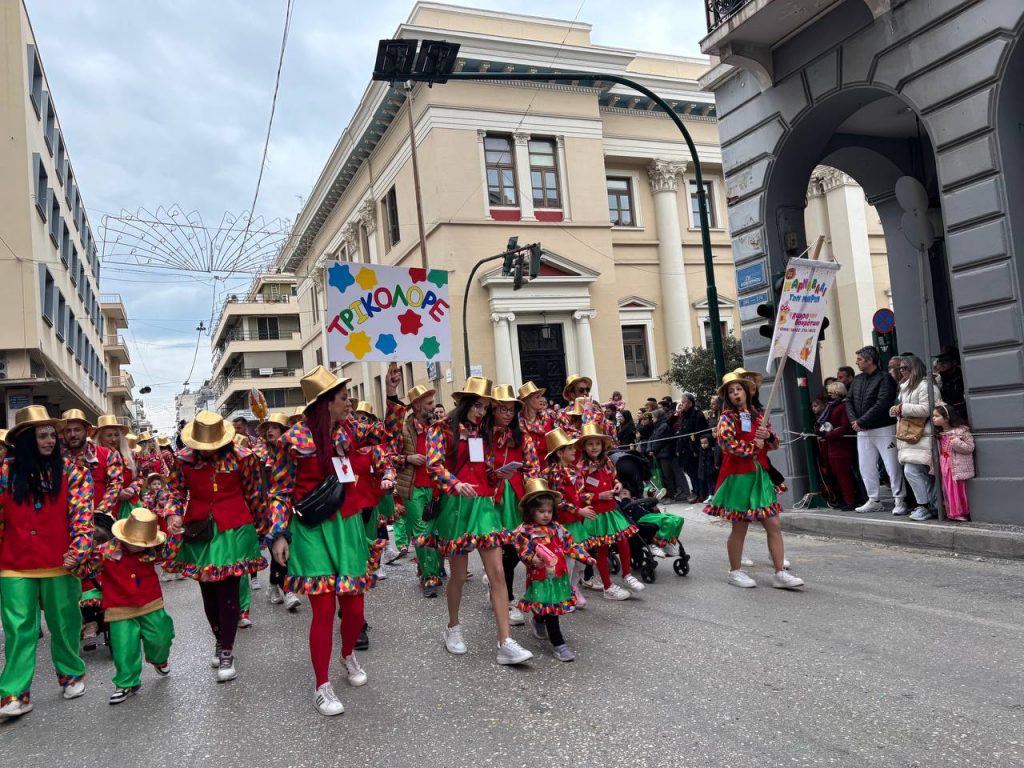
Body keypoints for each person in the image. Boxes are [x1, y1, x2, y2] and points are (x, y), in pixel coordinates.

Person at [268, 365, 403, 716]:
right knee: (324, 608)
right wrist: (278, 534)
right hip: (311, 529)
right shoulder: (292, 440)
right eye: (344, 397)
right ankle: (321, 685)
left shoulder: (351, 431)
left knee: (355, 609)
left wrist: (391, 395)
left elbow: (386, 437)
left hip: (347, 528)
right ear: (325, 402)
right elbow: (280, 490)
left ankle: (347, 654)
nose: (350, 402)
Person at [424, 376, 533, 666]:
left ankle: (505, 642)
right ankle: (453, 627)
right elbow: (433, 465)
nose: (481, 412)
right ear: (463, 403)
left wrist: (499, 475)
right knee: (458, 575)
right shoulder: (441, 430)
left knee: (497, 572)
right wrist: (454, 483)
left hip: (484, 505)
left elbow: (485, 471)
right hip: (455, 507)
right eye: (477, 405)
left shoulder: (485, 435)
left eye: (485, 407)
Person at [0, 406, 94, 720]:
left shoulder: (73, 470)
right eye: (43, 435)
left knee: (65, 623)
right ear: (26, 439)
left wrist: (79, 549)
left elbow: (83, 517)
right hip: (14, 563)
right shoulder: (3, 472)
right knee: (19, 629)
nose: (51, 440)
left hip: (59, 561)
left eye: (53, 434)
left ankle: (71, 674)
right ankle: (14, 693)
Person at [165, 411, 267, 684]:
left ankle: (227, 650)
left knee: (228, 587)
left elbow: (255, 493)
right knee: (207, 588)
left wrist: (263, 528)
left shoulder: (243, 457)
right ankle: (219, 639)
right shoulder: (183, 459)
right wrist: (173, 513)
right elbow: (175, 490)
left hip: (234, 529)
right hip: (199, 528)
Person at [703, 374, 804, 590]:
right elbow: (728, 445)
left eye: (738, 389)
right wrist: (752, 447)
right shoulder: (726, 419)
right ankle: (735, 571)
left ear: (747, 392)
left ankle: (779, 573)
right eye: (731, 391)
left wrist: (767, 436)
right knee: (740, 527)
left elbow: (774, 444)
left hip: (761, 475)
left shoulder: (758, 416)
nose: (735, 393)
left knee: (774, 524)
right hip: (739, 477)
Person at [89, 508, 181, 704]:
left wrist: (175, 534)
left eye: (143, 543)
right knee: (123, 646)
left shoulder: (152, 549)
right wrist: (75, 560)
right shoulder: (105, 551)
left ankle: (159, 659)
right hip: (119, 605)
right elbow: (85, 569)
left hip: (150, 601)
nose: (140, 547)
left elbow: (170, 553)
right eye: (136, 543)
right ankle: (126, 683)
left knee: (161, 636)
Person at [512, 479, 595, 662]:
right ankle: (559, 644)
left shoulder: (557, 528)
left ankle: (538, 620)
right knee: (549, 608)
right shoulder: (524, 531)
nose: (546, 515)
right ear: (530, 510)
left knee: (548, 607)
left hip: (558, 576)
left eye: (549, 511)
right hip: (539, 577)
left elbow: (571, 545)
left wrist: (585, 557)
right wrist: (532, 559)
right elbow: (523, 550)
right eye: (541, 511)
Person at [485, 385, 540, 628]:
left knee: (517, 548)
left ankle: (501, 589)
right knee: (500, 549)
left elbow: (533, 466)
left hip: (515, 497)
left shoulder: (522, 436)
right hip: (490, 497)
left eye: (511, 410)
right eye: (503, 409)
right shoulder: (482, 436)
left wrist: (533, 490)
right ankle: (505, 598)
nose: (508, 414)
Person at [578, 423, 643, 594]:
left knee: (622, 541)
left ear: (603, 445)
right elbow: (578, 495)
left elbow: (614, 479)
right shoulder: (581, 468)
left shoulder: (607, 462)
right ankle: (607, 586)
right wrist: (598, 496)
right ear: (584, 446)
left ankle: (627, 574)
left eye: (597, 443)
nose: (594, 447)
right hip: (596, 514)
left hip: (611, 511)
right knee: (602, 549)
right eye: (590, 444)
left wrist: (618, 484)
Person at [394, 385, 443, 597]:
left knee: (435, 532)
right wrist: (408, 458)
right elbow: (388, 457)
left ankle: (425, 567)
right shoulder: (402, 429)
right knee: (422, 532)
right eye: (430, 403)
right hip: (412, 488)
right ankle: (430, 577)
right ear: (417, 406)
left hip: (435, 488)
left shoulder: (439, 427)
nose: (434, 407)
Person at [846, 346, 907, 515]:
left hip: (883, 428)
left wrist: (861, 420)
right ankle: (873, 499)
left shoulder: (885, 378)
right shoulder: (857, 380)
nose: (856, 362)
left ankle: (900, 499)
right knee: (866, 466)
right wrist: (854, 421)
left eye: (859, 359)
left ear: (869, 360)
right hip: (862, 430)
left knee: (892, 465)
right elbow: (849, 401)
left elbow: (883, 403)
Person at [257, 413, 300, 611]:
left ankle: (274, 584)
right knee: (278, 539)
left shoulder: (291, 449)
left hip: (296, 501)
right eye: (268, 428)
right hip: (273, 503)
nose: (270, 431)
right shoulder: (261, 451)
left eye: (275, 427)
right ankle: (287, 589)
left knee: (290, 545)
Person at [891, 354, 940, 520]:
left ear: (915, 368)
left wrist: (903, 408)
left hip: (923, 434)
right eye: (900, 368)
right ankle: (932, 506)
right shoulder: (907, 387)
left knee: (912, 471)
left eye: (906, 368)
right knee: (923, 473)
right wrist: (896, 410)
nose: (902, 371)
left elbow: (929, 409)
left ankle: (924, 506)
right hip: (912, 436)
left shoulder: (926, 385)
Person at [61, 409, 124, 526]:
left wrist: (100, 513)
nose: (73, 434)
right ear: (63, 434)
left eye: (77, 430)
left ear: (87, 431)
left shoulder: (109, 454)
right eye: (68, 431)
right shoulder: (57, 458)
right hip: (66, 522)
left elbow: (115, 485)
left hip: (100, 522)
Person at [816, 381, 859, 510]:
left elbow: (845, 427)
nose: (828, 395)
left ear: (837, 393)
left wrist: (828, 435)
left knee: (844, 475)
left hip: (841, 446)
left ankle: (851, 501)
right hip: (833, 446)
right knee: (838, 475)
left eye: (830, 393)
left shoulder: (843, 407)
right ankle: (844, 499)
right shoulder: (831, 406)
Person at [932, 404, 974, 521]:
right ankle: (952, 512)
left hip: (956, 464)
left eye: (936, 416)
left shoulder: (961, 431)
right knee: (947, 488)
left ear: (947, 418)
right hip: (944, 464)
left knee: (958, 488)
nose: (933, 418)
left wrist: (955, 441)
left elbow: (970, 447)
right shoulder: (938, 434)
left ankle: (961, 512)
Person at [93, 415, 138, 520]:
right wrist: (117, 492)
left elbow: (138, 477)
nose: (113, 439)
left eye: (116, 435)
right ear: (100, 437)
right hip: (102, 509)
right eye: (109, 435)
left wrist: (132, 489)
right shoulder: (92, 457)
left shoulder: (129, 455)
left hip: (127, 508)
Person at [674, 394, 709, 503]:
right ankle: (695, 491)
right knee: (690, 472)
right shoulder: (683, 415)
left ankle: (701, 493)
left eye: (683, 402)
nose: (681, 404)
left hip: (694, 449)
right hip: (685, 448)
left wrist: (696, 448)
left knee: (696, 472)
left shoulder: (697, 415)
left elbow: (701, 432)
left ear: (690, 403)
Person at [519, 381, 556, 465]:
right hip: (526, 471)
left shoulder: (547, 419)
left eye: (541, 397)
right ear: (527, 400)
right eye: (537, 397)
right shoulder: (518, 423)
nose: (541, 400)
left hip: (547, 469)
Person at [648, 408, 677, 499]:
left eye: (653, 417)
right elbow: (651, 438)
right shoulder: (657, 426)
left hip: (665, 453)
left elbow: (659, 440)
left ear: (658, 417)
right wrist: (649, 449)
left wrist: (653, 450)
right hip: (659, 453)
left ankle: (671, 495)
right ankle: (666, 494)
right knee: (663, 476)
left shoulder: (663, 426)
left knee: (667, 475)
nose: (652, 419)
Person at [934, 347, 966, 420]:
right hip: (946, 415)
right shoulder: (939, 377)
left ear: (954, 362)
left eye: (944, 361)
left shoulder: (962, 376)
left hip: (962, 415)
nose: (941, 364)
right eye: (939, 361)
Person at [696, 434, 720, 503]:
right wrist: (693, 441)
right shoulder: (701, 450)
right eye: (702, 443)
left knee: (711, 485)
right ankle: (710, 496)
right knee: (708, 485)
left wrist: (713, 469)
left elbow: (715, 460)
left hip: (710, 472)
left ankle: (712, 496)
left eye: (705, 443)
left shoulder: (712, 450)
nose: (703, 445)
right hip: (704, 472)